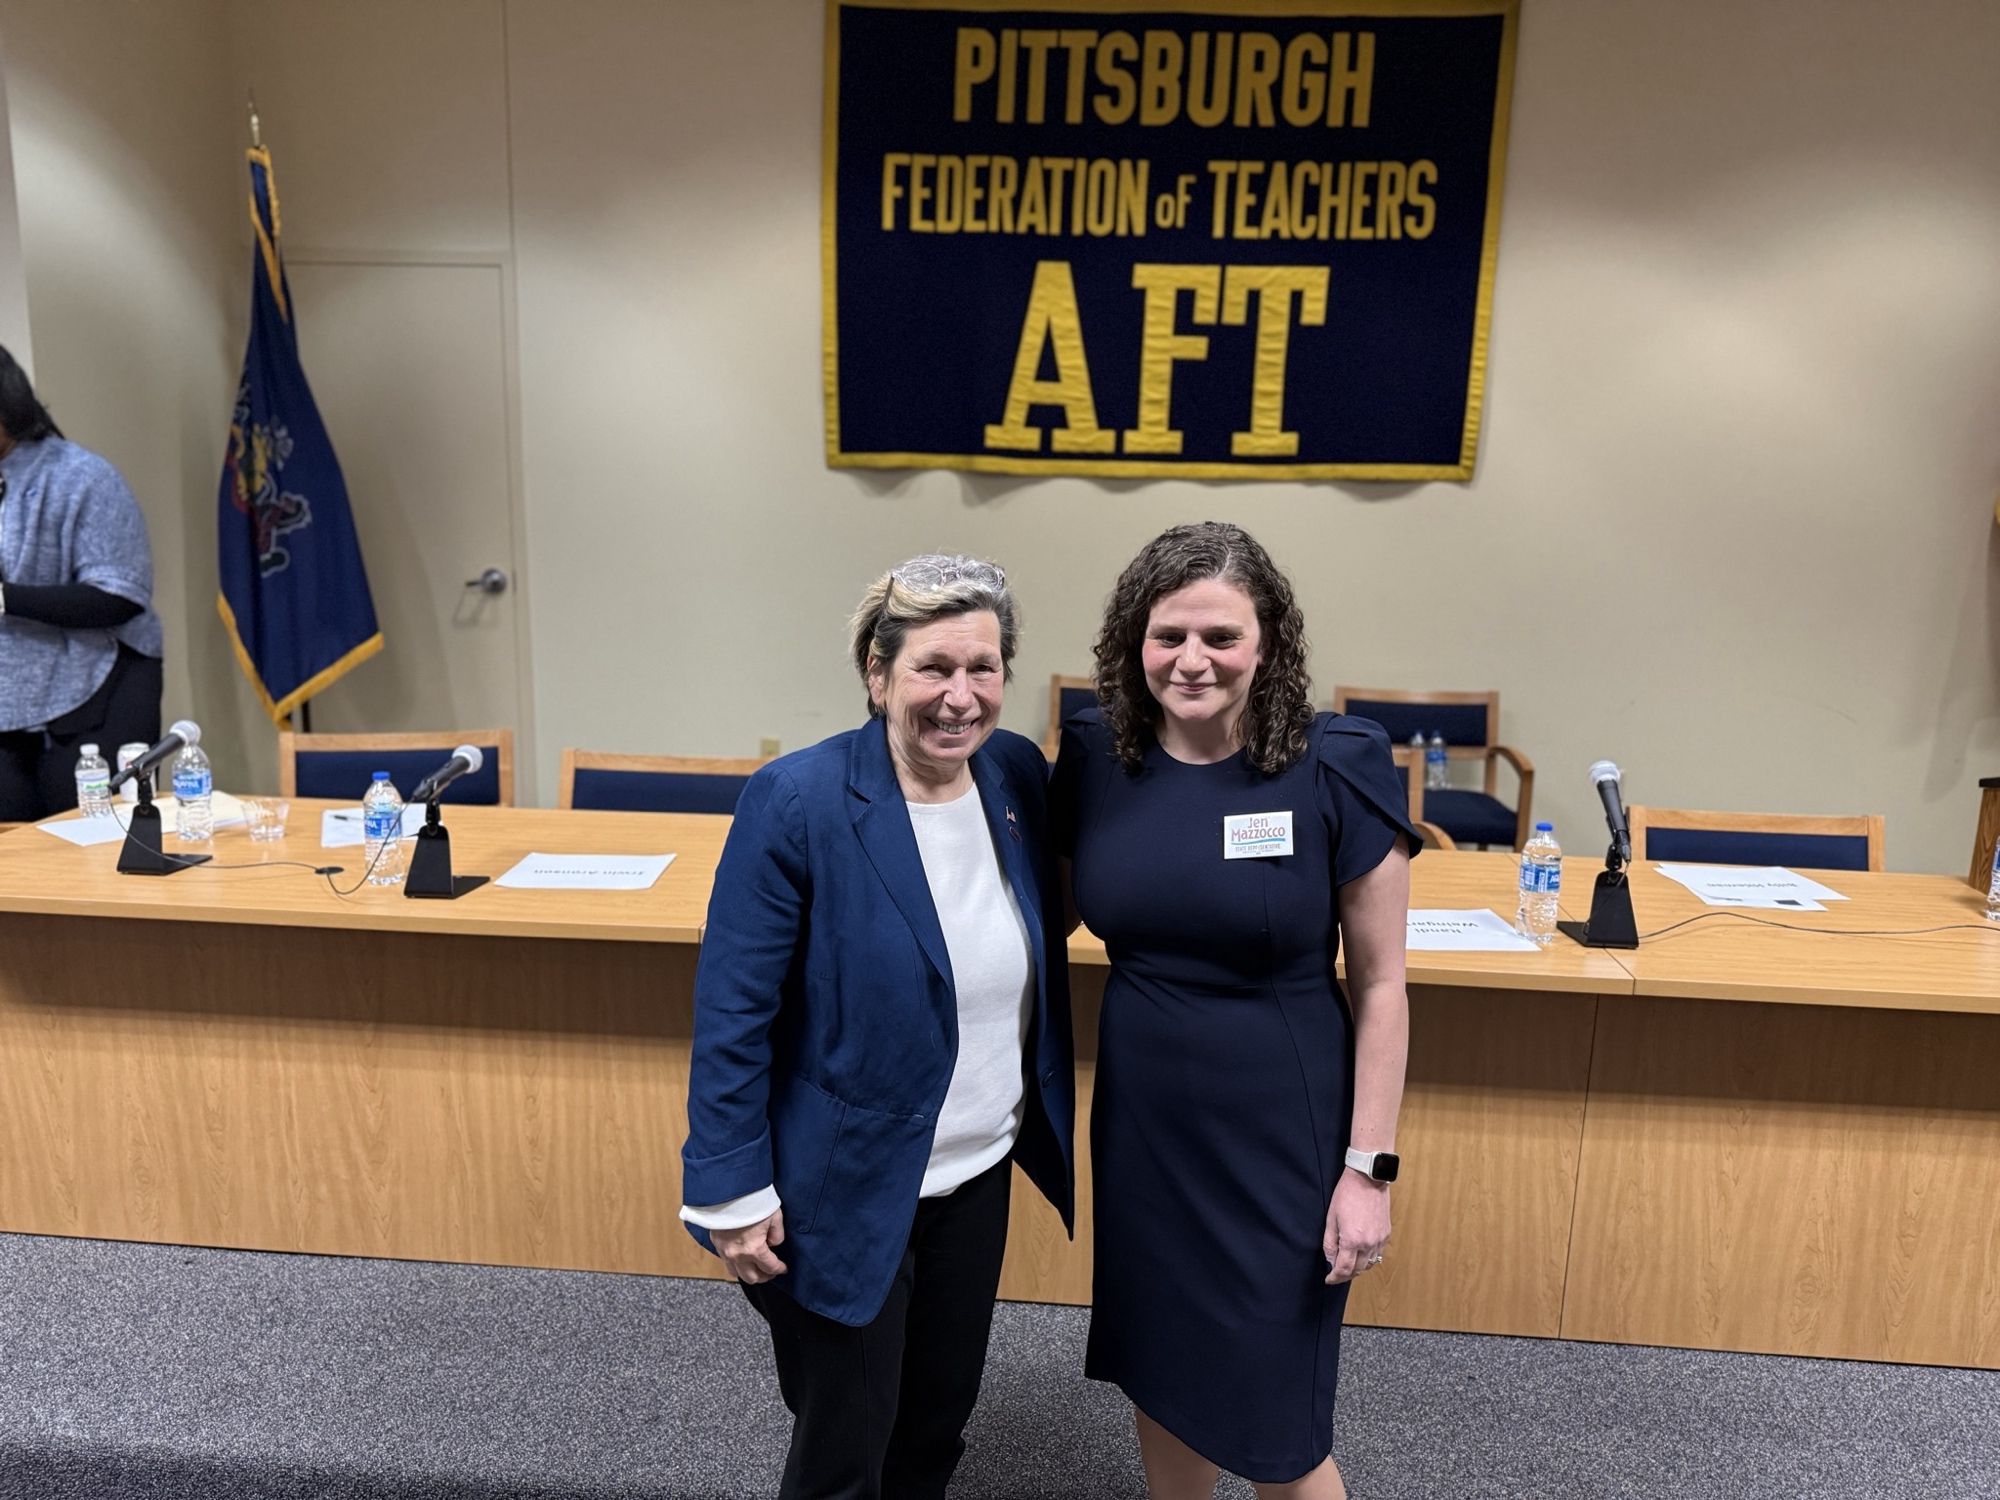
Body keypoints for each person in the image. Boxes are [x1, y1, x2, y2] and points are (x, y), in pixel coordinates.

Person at [681, 553, 1074, 1500]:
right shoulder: (799, 799)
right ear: (876, 672)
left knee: (936, 1426)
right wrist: (730, 1187)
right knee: (846, 1447)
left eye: (983, 668)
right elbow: (733, 1010)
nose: (960, 696)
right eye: (933, 667)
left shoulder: (1014, 775)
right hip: (846, 1182)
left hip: (976, 1170)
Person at [1050, 522, 1417, 1499]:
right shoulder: (1097, 755)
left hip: (1278, 1127)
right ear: (1133, 640)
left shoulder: (1334, 763)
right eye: (1168, 635)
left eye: (1221, 636)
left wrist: (1367, 1171)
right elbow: (1038, 914)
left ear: (1267, 643)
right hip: (1142, 1120)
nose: (1192, 660)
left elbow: (1382, 986)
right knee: (1163, 1368)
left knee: (1275, 1415)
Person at [0, 346, 164, 821]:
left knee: (91, 841)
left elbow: (120, 595)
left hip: (95, 690)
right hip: (9, 699)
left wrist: (6, 598)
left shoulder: (81, 476)